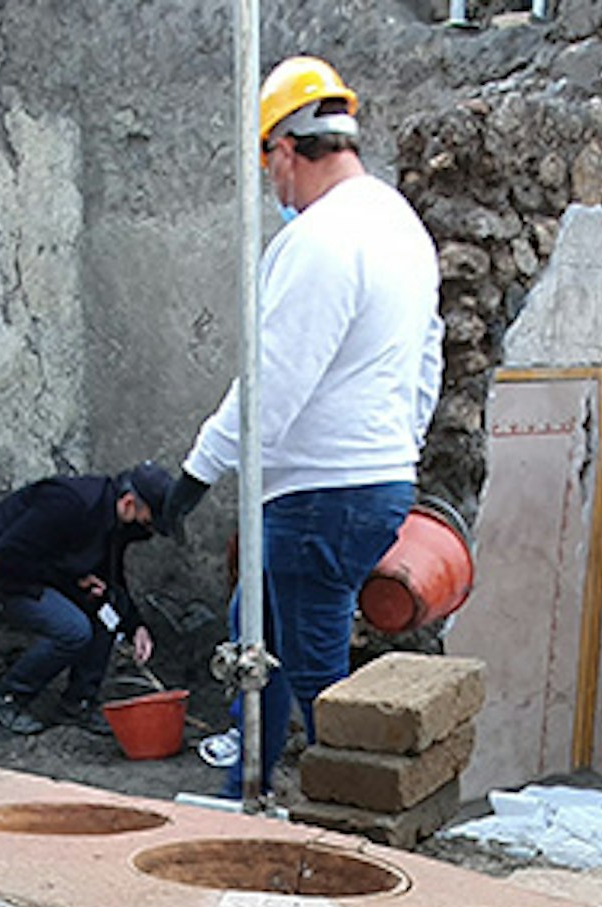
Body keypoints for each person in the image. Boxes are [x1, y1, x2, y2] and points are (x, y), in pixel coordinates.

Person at [162, 55, 440, 793]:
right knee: (255, 627)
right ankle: (242, 789)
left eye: (269, 168)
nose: (273, 189)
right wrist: (396, 448)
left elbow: (273, 382)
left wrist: (198, 470)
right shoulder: (399, 226)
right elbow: (428, 357)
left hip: (322, 492)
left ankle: (352, 826)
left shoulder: (322, 240)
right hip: (363, 481)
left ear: (284, 149)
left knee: (315, 670)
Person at [0, 463, 174, 734]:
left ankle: (78, 703)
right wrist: (72, 581)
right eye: (149, 522)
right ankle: (6, 697)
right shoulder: (70, 504)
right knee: (73, 630)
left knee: (108, 612)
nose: (149, 532)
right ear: (129, 503)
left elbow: (112, 577)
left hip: (45, 569)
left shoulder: (116, 521)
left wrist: (134, 626)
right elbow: (8, 555)